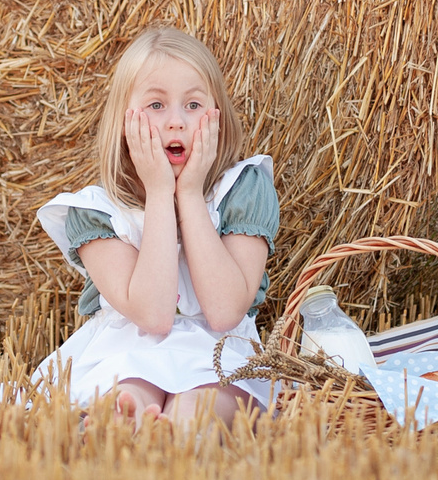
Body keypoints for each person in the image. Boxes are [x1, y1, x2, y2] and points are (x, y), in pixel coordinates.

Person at [32, 26, 280, 431]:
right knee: (128, 395)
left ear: (218, 114)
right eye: (156, 105)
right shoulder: (96, 212)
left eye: (194, 104)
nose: (177, 122)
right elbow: (153, 315)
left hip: (218, 354)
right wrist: (161, 191)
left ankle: (174, 441)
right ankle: (125, 437)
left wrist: (191, 194)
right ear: (122, 120)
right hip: (128, 350)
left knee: (199, 407)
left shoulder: (244, 188)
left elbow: (224, 310)